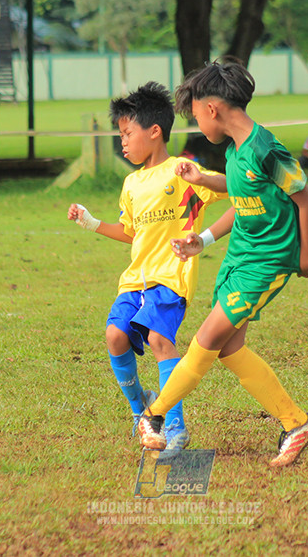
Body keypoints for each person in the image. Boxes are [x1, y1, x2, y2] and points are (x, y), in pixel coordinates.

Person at [137, 58, 308, 468]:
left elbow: (306, 200)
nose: (198, 125)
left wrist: (304, 260)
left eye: (196, 116)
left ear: (212, 109)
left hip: (267, 262)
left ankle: (154, 415)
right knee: (229, 349)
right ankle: (297, 423)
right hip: (240, 258)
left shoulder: (265, 149)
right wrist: (202, 231)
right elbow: (241, 200)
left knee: (206, 339)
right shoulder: (237, 152)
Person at [68, 82, 227, 453]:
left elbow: (232, 187)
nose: (122, 142)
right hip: (134, 281)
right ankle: (142, 411)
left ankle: (174, 427)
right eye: (120, 135)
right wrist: (92, 223)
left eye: (127, 134)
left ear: (154, 131)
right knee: (114, 336)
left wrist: (203, 179)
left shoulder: (181, 172)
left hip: (171, 279)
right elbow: (130, 232)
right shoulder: (131, 183)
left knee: (158, 340)